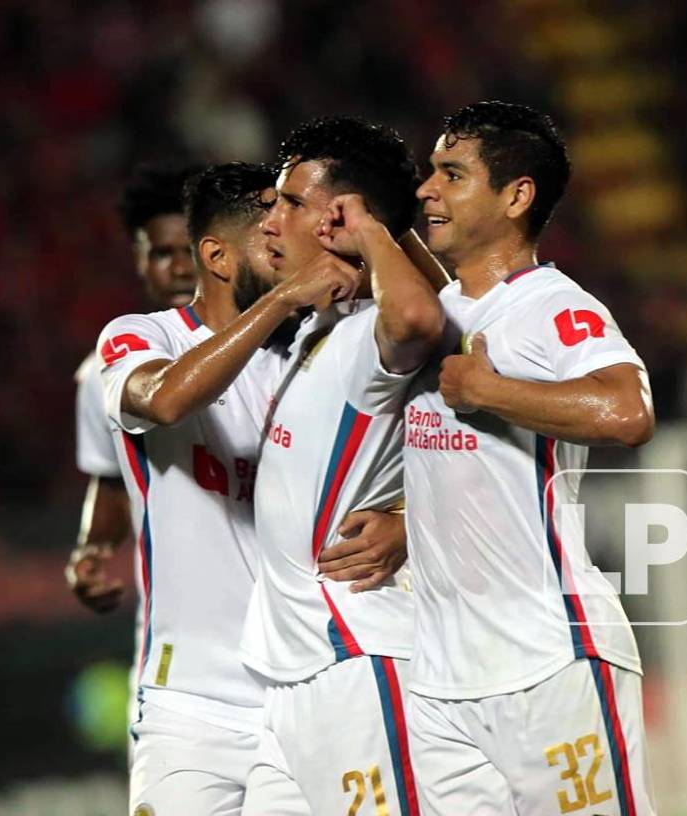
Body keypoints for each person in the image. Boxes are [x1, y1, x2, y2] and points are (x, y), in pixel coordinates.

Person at [100, 161, 403, 816]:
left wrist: (406, 520)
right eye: (269, 242)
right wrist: (282, 301)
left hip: (307, 688)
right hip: (191, 707)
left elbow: (411, 450)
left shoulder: (311, 354)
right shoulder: (142, 337)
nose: (288, 250)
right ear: (214, 255)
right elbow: (166, 399)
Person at [402, 101, 657, 815]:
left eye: (452, 173)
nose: (427, 189)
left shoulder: (550, 306)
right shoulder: (432, 317)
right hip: (442, 682)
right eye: (430, 171)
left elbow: (629, 412)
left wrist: (491, 389)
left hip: (550, 661)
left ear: (517, 196)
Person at [236, 117, 446, 816]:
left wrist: (375, 231)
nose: (271, 216)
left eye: (291, 202)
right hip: (289, 677)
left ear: (338, 221)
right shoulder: (317, 330)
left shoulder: (368, 338)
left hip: (358, 657)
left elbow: (420, 319)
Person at [68, 161, 200, 617]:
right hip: (175, 627)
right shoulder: (105, 369)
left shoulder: (279, 346)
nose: (181, 268)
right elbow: (110, 480)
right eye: (163, 254)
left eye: (192, 249)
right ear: (139, 260)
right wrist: (92, 550)